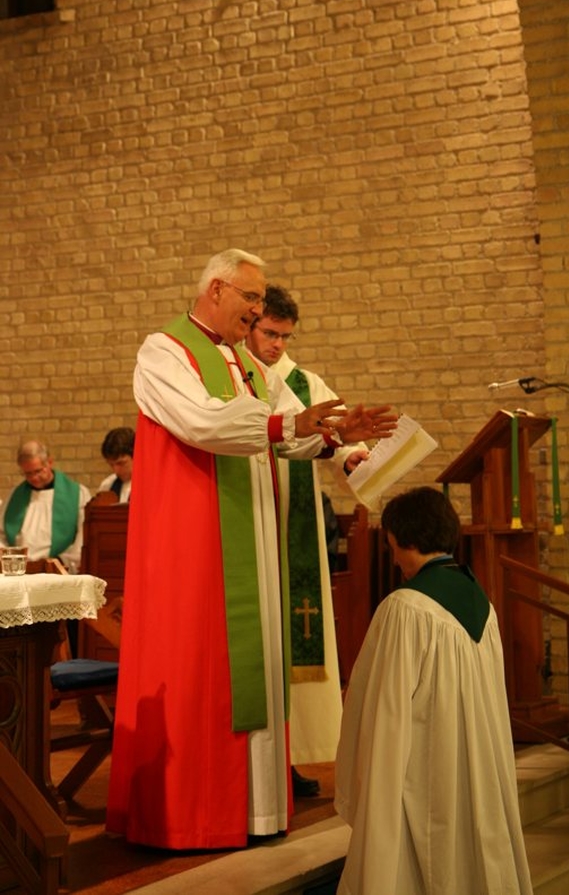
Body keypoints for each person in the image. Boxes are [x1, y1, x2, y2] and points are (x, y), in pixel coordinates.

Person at [105, 247, 397, 851]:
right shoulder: (164, 350)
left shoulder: (244, 362)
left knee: (257, 671)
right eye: (251, 297)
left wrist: (337, 432)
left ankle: (254, 811)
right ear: (216, 289)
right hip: (198, 545)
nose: (258, 308)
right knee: (203, 669)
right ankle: (193, 815)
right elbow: (203, 422)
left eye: (261, 300)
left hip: (256, 541)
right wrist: (285, 426)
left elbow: (290, 426)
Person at [334, 486, 533, 895]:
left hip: (426, 772)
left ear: (408, 540)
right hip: (477, 765)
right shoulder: (483, 603)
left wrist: (372, 786)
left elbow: (382, 710)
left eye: (392, 547)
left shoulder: (406, 608)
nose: (393, 559)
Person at [246, 284, 369, 797]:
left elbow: (336, 434)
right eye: (269, 333)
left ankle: (291, 757)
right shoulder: (231, 376)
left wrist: (353, 455)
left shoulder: (304, 381)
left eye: (284, 336)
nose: (276, 345)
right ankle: (251, 758)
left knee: (295, 635)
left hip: (293, 521)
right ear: (250, 325)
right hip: (245, 518)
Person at [0, 439, 91, 574]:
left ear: (49, 462)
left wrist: (60, 562)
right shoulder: (15, 495)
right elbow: (1, 533)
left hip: (57, 570)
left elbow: (82, 538)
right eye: (28, 473)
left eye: (38, 471)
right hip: (20, 571)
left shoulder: (77, 493)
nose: (34, 478)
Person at [96, 426, 135, 502]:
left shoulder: (153, 485)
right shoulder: (107, 486)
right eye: (111, 465)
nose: (116, 470)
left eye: (121, 463)